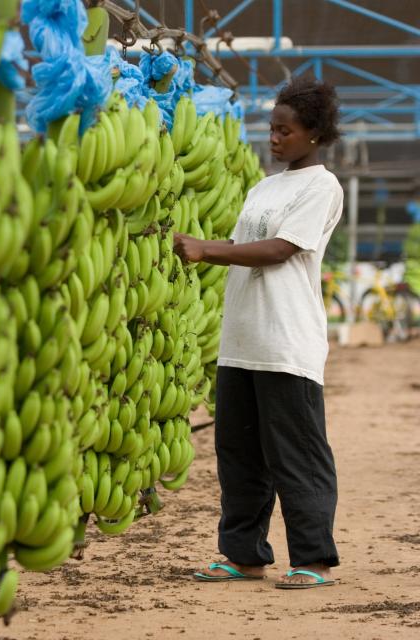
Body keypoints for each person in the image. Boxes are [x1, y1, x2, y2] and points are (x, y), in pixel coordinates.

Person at [174, 75, 344, 589]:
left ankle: (313, 559)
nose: (273, 138)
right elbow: (248, 242)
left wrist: (208, 249)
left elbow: (280, 249)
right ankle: (244, 555)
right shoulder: (265, 187)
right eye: (271, 128)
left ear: (313, 133)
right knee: (239, 455)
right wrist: (203, 246)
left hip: (286, 342)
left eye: (285, 131)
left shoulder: (323, 186)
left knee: (297, 455)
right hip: (242, 341)